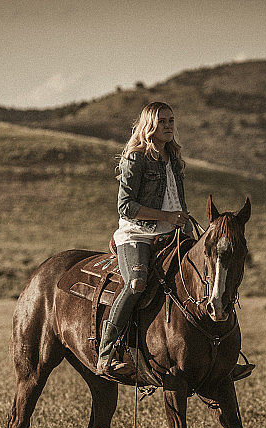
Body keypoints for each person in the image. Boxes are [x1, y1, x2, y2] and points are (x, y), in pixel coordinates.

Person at [96, 102, 254, 382]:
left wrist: (180, 220)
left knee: (203, 278)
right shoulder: (136, 158)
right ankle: (107, 352)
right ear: (150, 125)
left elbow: (174, 198)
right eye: (163, 121)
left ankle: (223, 360)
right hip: (138, 234)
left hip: (174, 235)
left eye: (171, 120)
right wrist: (165, 215)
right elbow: (125, 206)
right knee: (137, 284)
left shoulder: (173, 158)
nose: (169, 126)